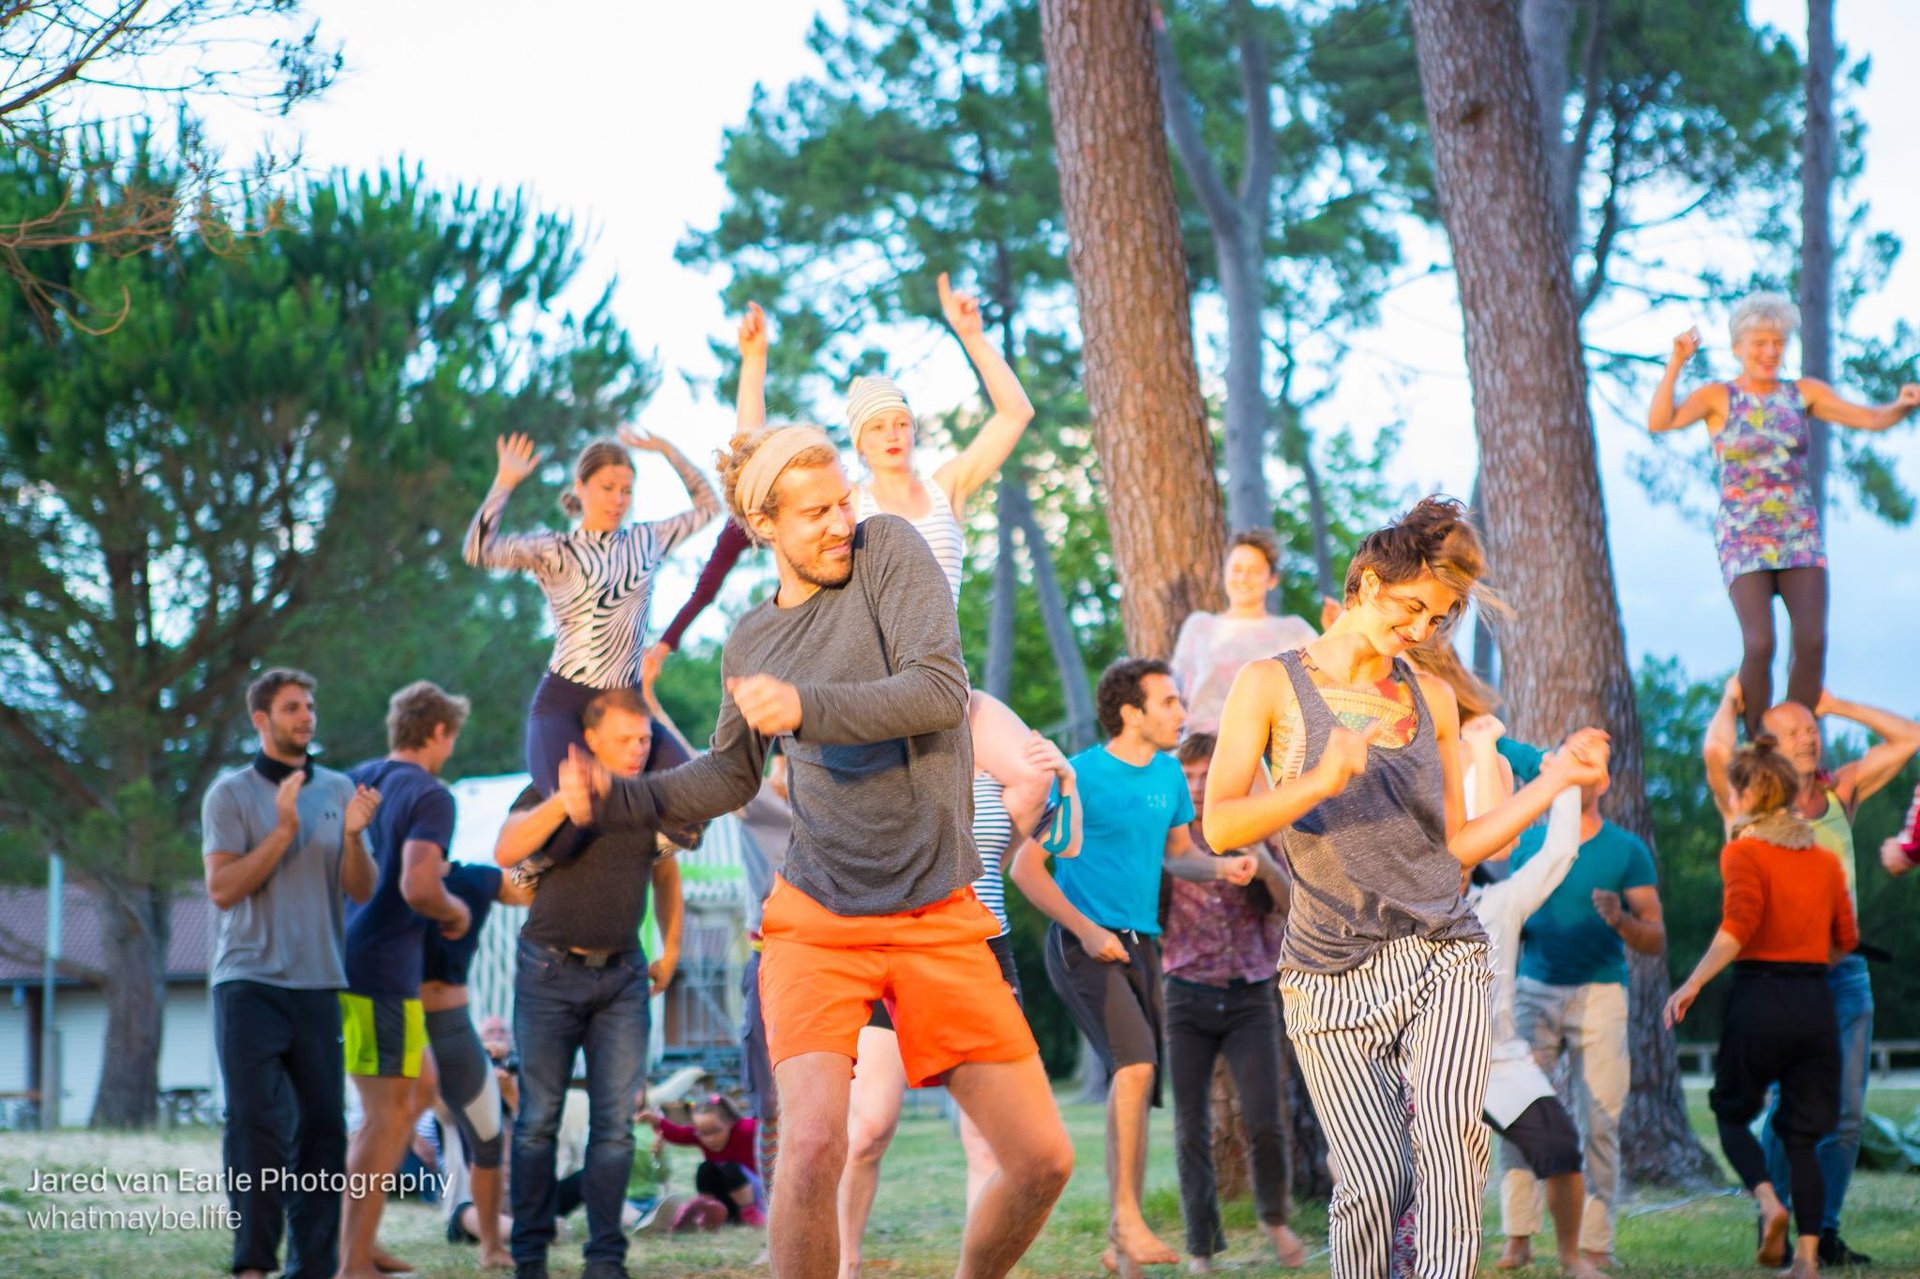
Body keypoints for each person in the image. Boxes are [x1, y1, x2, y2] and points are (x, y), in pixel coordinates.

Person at [567, 423, 1075, 1279]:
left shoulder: (889, 552)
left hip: (939, 910)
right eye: (817, 513)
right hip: (819, 919)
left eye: (843, 499)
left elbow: (938, 690)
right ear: (765, 525)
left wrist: (804, 706)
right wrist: (625, 797)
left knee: (1042, 1159)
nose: (843, 519)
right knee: (809, 1145)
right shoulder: (753, 642)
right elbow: (729, 775)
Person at [1204, 497, 1611, 1279]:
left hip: (1441, 952)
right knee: (1374, 1178)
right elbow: (1221, 825)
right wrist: (1317, 779)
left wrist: (1556, 778)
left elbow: (1456, 844)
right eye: (1413, 607)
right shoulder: (1270, 684)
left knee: (1454, 1152)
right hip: (1326, 973)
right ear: (1363, 586)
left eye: (1443, 616)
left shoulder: (1428, 697)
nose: (1425, 629)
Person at [663, 290, 1054, 835]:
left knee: (1038, 776)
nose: (892, 434)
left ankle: (982, 878)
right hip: (870, 688)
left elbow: (1016, 413)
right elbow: (755, 462)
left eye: (900, 422)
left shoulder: (947, 490)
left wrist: (971, 336)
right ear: (858, 443)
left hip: (942, 676)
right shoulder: (850, 509)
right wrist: (754, 365)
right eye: (877, 427)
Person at [1010, 659, 1257, 1277]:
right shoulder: (1081, 776)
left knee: (1137, 1081)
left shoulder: (1170, 774)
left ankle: (1123, 1237)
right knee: (1138, 1065)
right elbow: (1026, 870)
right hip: (1081, 943)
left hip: (1141, 944)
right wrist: (1088, 932)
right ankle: (1126, 1218)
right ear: (1131, 712)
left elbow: (1179, 856)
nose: (1181, 713)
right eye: (1169, 702)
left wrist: (1221, 867)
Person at [838, 723, 1079, 1279]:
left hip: (982, 950)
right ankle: (846, 1264)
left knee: (986, 1139)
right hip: (896, 945)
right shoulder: (897, 765)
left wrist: (1065, 779)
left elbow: (1062, 845)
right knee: (870, 1127)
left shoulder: (1008, 781)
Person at [1703, 680, 1920, 1265]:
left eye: (1812, 729)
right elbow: (1716, 750)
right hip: (1780, 978)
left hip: (1846, 975)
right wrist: (1729, 701)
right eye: (1793, 730)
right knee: (1785, 1112)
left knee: (1845, 1116)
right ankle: (1772, 1217)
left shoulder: (1840, 791)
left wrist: (1836, 704)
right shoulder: (1747, 806)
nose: (1808, 737)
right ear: (1766, 745)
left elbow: (1911, 738)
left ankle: (1822, 1232)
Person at [1647, 295, 1920, 736]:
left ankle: (1799, 732)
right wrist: (1676, 363)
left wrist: (1902, 405)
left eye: (1778, 343)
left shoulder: (1802, 393)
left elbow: (1868, 418)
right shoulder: (1719, 397)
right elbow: (1661, 421)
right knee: (1760, 643)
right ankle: (1759, 743)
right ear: (1738, 347)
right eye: (1760, 343)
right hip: (1743, 537)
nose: (1770, 352)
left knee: (1811, 642)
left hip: (1799, 536)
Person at [492, 686, 685, 1279]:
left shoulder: (648, 797)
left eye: (645, 740)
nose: (638, 750)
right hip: (548, 972)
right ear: (591, 740)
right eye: (626, 740)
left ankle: (605, 1260)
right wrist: (564, 803)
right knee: (538, 1121)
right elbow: (505, 850)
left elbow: (666, 872)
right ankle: (529, 1258)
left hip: (624, 975)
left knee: (615, 1126)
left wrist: (671, 948)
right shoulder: (547, 788)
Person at [202, 669, 380, 1279]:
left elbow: (361, 887)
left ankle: (312, 1267)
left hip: (318, 984)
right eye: (291, 708)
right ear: (262, 720)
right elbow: (222, 889)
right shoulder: (229, 795)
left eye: (310, 705)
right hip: (248, 982)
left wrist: (354, 839)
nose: (306, 717)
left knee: (325, 1129)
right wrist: (281, 831)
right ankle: (253, 1262)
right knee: (256, 1123)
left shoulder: (338, 788)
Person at [1666, 738, 1858, 1279]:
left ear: (1750, 790)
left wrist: (1692, 983)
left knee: (1729, 1112)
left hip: (1760, 997)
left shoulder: (1742, 852)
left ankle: (1771, 1205)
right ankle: (1806, 1257)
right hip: (1815, 1000)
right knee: (1804, 1137)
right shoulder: (1822, 861)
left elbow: (1737, 928)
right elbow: (1846, 938)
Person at [463, 427, 718, 797]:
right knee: (571, 813)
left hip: (626, 702)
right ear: (580, 488)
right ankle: (532, 849)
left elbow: (709, 506)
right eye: (607, 488)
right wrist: (504, 482)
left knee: (690, 798)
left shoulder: (647, 540)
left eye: (627, 491)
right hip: (565, 702)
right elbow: (478, 550)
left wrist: (666, 449)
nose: (618, 500)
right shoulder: (555, 550)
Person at [1499, 730, 1665, 1271]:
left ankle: (1595, 1247)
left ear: (1605, 780)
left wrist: (1620, 918)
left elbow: (1656, 936)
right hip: (1532, 992)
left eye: (1593, 762)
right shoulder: (1526, 844)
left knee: (1600, 1121)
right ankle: (1518, 1238)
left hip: (1601, 997)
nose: (1583, 767)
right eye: (1573, 756)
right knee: (1520, 1114)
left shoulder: (1627, 850)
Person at [334, 680, 474, 1279]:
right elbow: (418, 885)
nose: (450, 751)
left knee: (415, 1092)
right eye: (451, 739)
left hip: (349, 959)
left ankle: (359, 1246)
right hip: (380, 970)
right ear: (439, 732)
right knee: (386, 1114)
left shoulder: (354, 779)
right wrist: (455, 910)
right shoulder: (430, 793)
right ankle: (350, 1262)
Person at [1163, 731, 1306, 1273]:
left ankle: (1275, 1218)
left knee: (1267, 1119)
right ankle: (1201, 1247)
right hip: (1185, 995)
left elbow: (1288, 903)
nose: (1198, 786)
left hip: (1250, 996)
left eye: (1206, 774)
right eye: (1190, 776)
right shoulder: (1168, 838)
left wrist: (1261, 861)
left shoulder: (1250, 829)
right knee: (1190, 1125)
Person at [1468, 771, 1604, 1279]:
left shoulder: (1498, 902)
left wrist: (1564, 780)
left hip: (1498, 1060)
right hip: (1420, 1061)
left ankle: (1571, 1260)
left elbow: (1559, 854)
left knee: (1562, 1146)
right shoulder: (1402, 906)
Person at [423, 862, 533, 1266]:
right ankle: (355, 1253)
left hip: (451, 1016)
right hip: (396, 1008)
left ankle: (492, 1247)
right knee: (383, 1128)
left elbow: (523, 890)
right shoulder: (386, 877)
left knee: (488, 1136)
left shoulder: (475, 878)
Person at [1170, 529, 1318, 735]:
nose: (1244, 577)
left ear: (1272, 579)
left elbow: (1323, 680)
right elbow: (1175, 690)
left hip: (1268, 748)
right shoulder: (1200, 626)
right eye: (1237, 569)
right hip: (1202, 749)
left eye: (1255, 571)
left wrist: (1335, 628)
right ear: (1225, 573)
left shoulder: (1294, 630)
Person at [640, 1096, 766, 1227]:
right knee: (705, 1168)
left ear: (730, 1123)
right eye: (703, 1133)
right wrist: (656, 1122)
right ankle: (707, 1210)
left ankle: (749, 1212)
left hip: (753, 1196)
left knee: (730, 1168)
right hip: (726, 1201)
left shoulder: (745, 1129)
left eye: (715, 1131)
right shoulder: (698, 1137)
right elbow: (678, 1134)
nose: (710, 1139)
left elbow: (770, 1128)